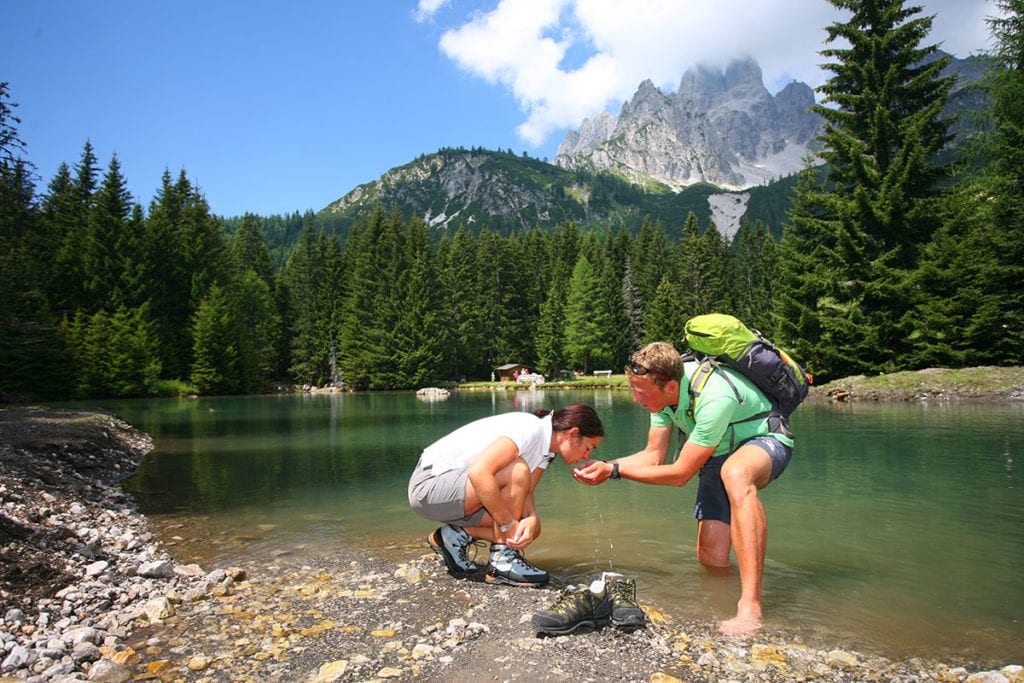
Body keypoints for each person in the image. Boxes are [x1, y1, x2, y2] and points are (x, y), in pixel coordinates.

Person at [572, 342, 794, 635]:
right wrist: (604, 465)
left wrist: (614, 471)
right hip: (717, 450)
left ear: (670, 385)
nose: (636, 399)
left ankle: (750, 606)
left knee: (736, 473)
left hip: (764, 440)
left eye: (641, 391)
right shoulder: (661, 397)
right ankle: (719, 604)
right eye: (633, 389)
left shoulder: (715, 398)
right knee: (711, 556)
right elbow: (653, 456)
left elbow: (680, 474)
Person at [409, 404, 604, 587]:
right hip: (428, 487)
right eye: (589, 447)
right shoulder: (530, 428)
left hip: (459, 494)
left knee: (528, 529)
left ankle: (451, 537)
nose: (587, 456)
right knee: (518, 471)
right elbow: (479, 473)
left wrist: (532, 519)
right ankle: (502, 561)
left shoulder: (546, 452)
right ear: (572, 434)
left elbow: (525, 492)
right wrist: (508, 525)